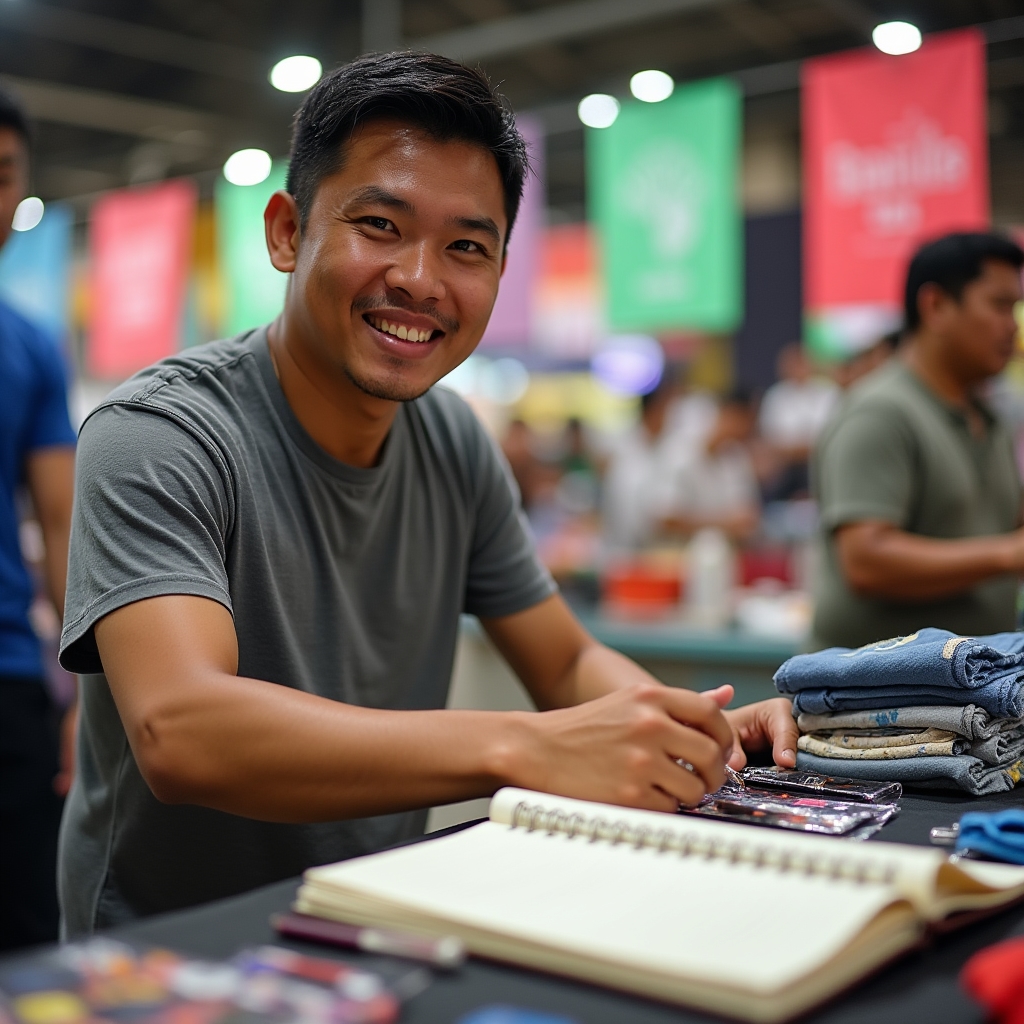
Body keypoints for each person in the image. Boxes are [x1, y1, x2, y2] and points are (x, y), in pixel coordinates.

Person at [57, 52, 797, 935]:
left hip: (372, 918)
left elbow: (562, 662)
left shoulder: (453, 443)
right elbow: (184, 729)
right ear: (288, 232)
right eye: (379, 224)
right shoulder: (161, 433)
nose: (420, 278)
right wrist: (524, 746)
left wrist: (678, 732)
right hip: (167, 945)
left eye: (467, 247)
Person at [812, 232, 1024, 650]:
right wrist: (1006, 554)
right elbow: (866, 561)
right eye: (999, 305)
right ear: (936, 306)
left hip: (968, 690)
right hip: (876, 703)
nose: (1012, 325)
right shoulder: (880, 413)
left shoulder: (988, 419)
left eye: (1015, 307)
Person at [0, 88, 77, 949]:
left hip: (9, 681)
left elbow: (62, 524)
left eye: (3, 176)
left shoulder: (31, 346)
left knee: (25, 939)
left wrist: (80, 688)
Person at [662, 390, 760, 544]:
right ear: (731, 414)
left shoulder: (736, 457)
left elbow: (747, 516)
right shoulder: (678, 451)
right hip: (675, 557)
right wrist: (724, 524)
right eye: (749, 421)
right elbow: (666, 519)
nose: (750, 429)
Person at [601, 377, 685, 551]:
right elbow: (631, 516)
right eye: (667, 410)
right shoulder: (627, 455)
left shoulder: (664, 448)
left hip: (650, 552)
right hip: (629, 552)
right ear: (654, 412)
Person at [759, 344, 837, 501]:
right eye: (792, 364)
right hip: (784, 469)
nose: (797, 369)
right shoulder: (775, 396)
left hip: (821, 464)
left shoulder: (828, 393)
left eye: (801, 363)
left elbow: (829, 437)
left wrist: (797, 449)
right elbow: (770, 442)